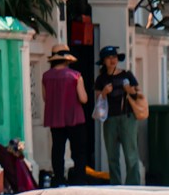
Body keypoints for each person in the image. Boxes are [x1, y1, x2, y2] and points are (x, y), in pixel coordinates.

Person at [40, 46, 90, 184]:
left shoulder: (46, 76)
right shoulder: (75, 76)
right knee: (78, 151)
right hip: (74, 117)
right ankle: (80, 179)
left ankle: (59, 178)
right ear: (67, 60)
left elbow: (45, 98)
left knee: (57, 149)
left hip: (55, 118)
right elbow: (83, 98)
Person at [95, 46, 142, 185]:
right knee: (112, 156)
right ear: (103, 61)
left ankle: (133, 184)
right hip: (109, 119)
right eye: (109, 58)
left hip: (128, 117)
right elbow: (98, 99)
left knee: (131, 154)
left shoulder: (126, 74)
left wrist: (129, 90)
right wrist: (104, 92)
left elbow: (138, 93)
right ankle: (115, 184)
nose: (112, 60)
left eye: (114, 57)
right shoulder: (101, 78)